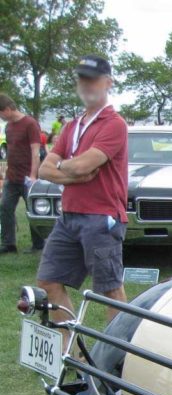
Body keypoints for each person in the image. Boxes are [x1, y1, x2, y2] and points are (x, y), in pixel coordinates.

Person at [34, 53, 129, 334]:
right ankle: (71, 353)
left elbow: (87, 164)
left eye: (93, 80)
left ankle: (119, 356)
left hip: (102, 218)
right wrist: (71, 170)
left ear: (107, 82)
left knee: (110, 290)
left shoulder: (114, 123)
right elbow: (44, 169)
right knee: (48, 282)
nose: (86, 85)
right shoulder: (72, 126)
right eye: (82, 79)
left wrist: (64, 167)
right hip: (69, 217)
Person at [0, 93, 45, 253]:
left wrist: (33, 176)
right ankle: (8, 244)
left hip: (28, 177)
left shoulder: (30, 123)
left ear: (7, 109)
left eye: (1, 113)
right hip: (12, 177)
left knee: (33, 209)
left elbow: (35, 152)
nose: (1, 117)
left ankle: (38, 244)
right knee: (5, 206)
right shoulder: (8, 127)